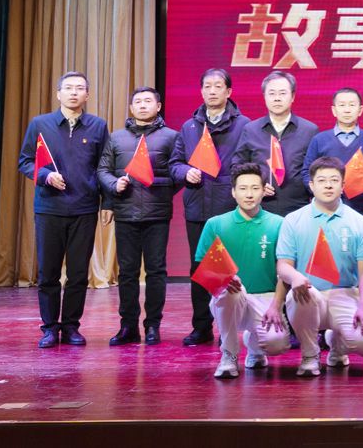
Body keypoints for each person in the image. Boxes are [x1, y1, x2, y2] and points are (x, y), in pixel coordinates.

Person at [17, 71, 110, 348]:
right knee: (48, 272)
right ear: (58, 94)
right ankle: (49, 328)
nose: (73, 93)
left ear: (87, 95)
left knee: (78, 273)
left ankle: (71, 327)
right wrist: (45, 176)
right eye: (68, 88)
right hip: (49, 208)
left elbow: (104, 168)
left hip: (84, 208)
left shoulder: (97, 126)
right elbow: (25, 161)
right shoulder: (40, 124)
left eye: (79, 88)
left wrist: (107, 203)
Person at [276, 157, 363, 377]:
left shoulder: (358, 221)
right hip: (308, 294)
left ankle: (337, 343)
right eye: (322, 181)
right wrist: (295, 277)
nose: (328, 185)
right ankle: (310, 354)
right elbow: (283, 266)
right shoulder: (293, 220)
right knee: (299, 294)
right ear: (311, 185)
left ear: (343, 185)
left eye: (334, 180)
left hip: (345, 294)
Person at [171, 68, 251, 347]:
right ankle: (201, 327)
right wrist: (185, 172)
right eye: (207, 86)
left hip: (230, 208)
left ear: (229, 92)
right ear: (201, 91)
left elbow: (250, 164)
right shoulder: (189, 126)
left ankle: (230, 328)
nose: (212, 90)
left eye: (218, 86)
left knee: (230, 270)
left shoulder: (244, 126)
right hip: (197, 208)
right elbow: (174, 163)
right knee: (200, 269)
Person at [96, 86, 180, 346]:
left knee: (156, 272)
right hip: (126, 212)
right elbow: (103, 170)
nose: (143, 106)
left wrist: (158, 185)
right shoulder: (116, 138)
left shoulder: (171, 137)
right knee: (127, 273)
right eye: (138, 102)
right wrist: (115, 184)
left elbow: (178, 173)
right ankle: (128, 326)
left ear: (158, 106)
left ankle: (153, 325)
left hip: (157, 213)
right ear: (131, 108)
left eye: (148, 101)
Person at [194, 163, 290, 378]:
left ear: (264, 190)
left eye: (255, 188)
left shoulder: (279, 224)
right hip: (229, 298)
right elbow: (203, 265)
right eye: (243, 188)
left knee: (277, 343)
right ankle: (229, 354)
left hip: (265, 297)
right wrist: (223, 279)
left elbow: (286, 269)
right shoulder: (216, 224)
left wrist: (277, 305)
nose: (249, 194)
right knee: (231, 291)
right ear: (233, 192)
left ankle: (255, 348)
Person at [231, 70, 319, 216]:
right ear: (264, 97)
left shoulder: (309, 130)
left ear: (293, 96)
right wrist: (256, 185)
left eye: (282, 93)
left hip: (299, 208)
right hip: (260, 208)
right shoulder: (251, 129)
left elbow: (315, 171)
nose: (277, 98)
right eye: (272, 93)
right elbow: (237, 166)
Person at [303, 87, 363, 229]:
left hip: (361, 213)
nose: (347, 110)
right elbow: (306, 173)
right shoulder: (319, 140)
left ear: (360, 110)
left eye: (352, 105)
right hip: (324, 212)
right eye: (342, 105)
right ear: (334, 110)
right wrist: (322, 192)